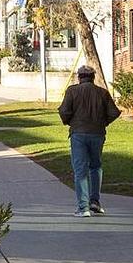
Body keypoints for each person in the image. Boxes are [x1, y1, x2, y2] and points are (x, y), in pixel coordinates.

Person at [57, 64, 120, 217]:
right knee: (96, 167)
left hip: (78, 133)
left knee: (80, 170)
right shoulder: (102, 92)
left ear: (79, 77)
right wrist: (103, 122)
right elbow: (114, 112)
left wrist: (70, 121)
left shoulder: (72, 91)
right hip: (98, 133)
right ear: (93, 77)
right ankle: (95, 202)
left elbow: (64, 111)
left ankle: (83, 207)